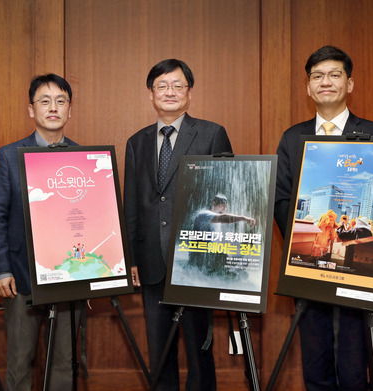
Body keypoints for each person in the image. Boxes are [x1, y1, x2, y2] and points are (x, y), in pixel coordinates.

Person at [274, 45, 373, 391]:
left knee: (355, 365)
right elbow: (283, 200)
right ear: (309, 87)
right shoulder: (292, 138)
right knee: (316, 360)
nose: (326, 82)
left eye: (334, 75)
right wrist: (305, 254)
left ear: (349, 84)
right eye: (317, 76)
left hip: (359, 274)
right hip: (308, 269)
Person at [124, 58, 232, 390]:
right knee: (160, 350)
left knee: (200, 350)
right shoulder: (137, 142)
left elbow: (227, 196)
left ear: (189, 92)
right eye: (162, 86)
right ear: (150, 93)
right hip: (151, 261)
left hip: (197, 260)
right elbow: (132, 203)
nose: (169, 92)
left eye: (177, 85)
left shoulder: (212, 134)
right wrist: (131, 259)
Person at [0, 73, 82, 391]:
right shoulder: (8, 156)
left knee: (64, 361)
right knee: (19, 360)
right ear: (31, 110)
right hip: (21, 277)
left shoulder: (85, 158)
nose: (52, 108)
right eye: (44, 101)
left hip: (71, 277)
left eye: (60, 101)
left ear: (70, 109)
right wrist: (0, 269)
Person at [190, 194, 255, 272]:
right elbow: (224, 218)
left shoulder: (216, 222)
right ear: (214, 203)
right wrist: (244, 218)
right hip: (199, 260)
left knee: (243, 257)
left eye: (226, 207)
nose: (224, 209)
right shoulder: (204, 214)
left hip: (208, 259)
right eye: (222, 206)